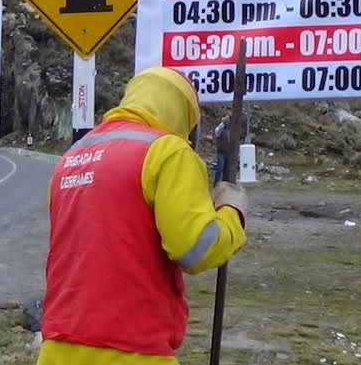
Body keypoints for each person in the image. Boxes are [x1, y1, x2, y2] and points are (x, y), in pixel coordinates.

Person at [36, 66, 249, 365]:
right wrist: (231, 213)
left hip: (58, 345)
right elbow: (194, 248)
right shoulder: (168, 152)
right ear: (183, 116)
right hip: (133, 348)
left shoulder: (71, 158)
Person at [213, 111, 249, 185]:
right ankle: (216, 184)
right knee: (220, 168)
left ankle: (225, 184)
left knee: (226, 171)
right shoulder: (221, 129)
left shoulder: (231, 130)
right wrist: (223, 122)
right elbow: (217, 132)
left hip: (229, 153)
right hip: (221, 152)